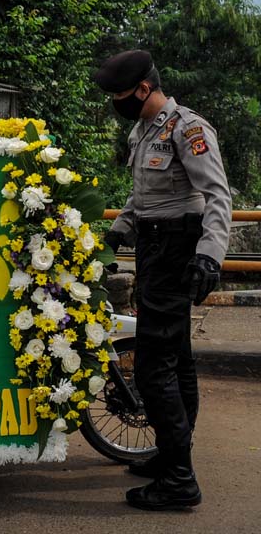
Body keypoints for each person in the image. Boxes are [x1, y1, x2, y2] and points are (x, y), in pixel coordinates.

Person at [93, 50, 232, 510]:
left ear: (145, 89)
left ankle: (178, 481)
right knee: (178, 360)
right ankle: (172, 455)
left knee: (154, 367)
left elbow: (216, 196)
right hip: (153, 246)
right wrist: (116, 235)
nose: (118, 103)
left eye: (120, 96)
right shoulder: (143, 129)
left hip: (178, 248)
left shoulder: (188, 128)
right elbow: (141, 197)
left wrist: (210, 257)